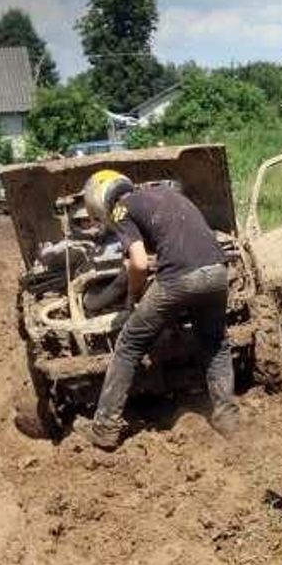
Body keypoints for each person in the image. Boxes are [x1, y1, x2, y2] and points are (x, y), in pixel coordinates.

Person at [73, 170, 240, 450]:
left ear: (100, 202)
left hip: (180, 278)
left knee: (129, 344)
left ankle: (104, 427)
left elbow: (138, 263)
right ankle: (228, 420)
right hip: (217, 271)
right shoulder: (167, 194)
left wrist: (134, 295)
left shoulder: (121, 209)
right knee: (215, 344)